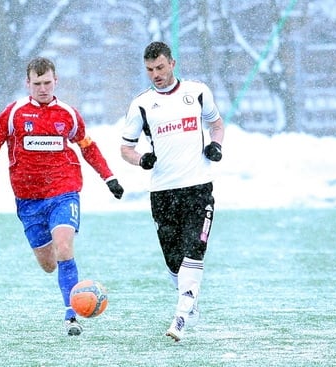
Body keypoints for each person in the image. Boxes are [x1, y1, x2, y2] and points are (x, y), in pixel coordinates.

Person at [0, 57, 124, 336]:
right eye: (37, 84)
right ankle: (66, 277)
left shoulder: (67, 114)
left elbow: (87, 146)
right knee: (48, 264)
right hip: (28, 199)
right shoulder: (14, 114)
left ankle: (72, 315)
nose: (42, 89)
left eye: (47, 83)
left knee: (64, 247)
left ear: (56, 81)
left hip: (63, 191)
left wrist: (109, 177)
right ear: (27, 83)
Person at [120, 41, 224, 342]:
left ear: (173, 63)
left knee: (196, 248)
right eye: (150, 70)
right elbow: (126, 148)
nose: (156, 74)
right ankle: (188, 298)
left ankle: (181, 315)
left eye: (161, 67)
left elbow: (217, 125)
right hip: (163, 192)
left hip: (197, 188)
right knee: (173, 261)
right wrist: (142, 159)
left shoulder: (198, 92)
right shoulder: (141, 104)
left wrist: (216, 145)